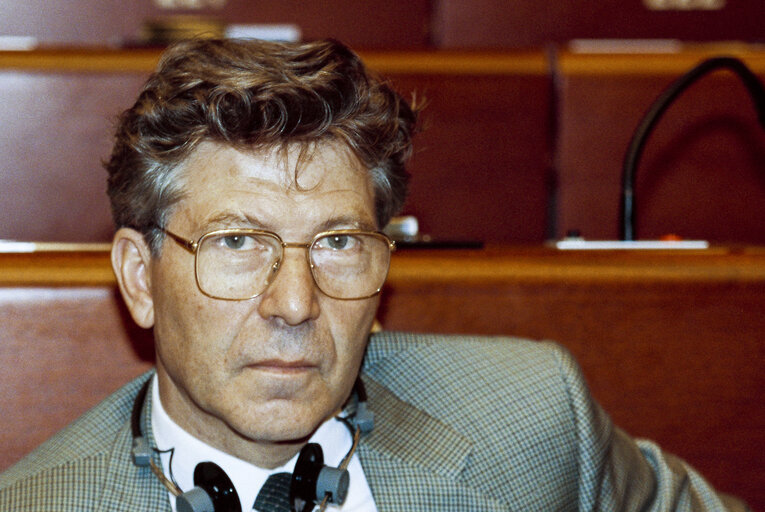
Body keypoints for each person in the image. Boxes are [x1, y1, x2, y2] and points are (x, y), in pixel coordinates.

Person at [0, 38, 749, 512]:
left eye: (336, 243)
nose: (295, 304)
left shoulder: (535, 419)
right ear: (139, 277)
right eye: (236, 243)